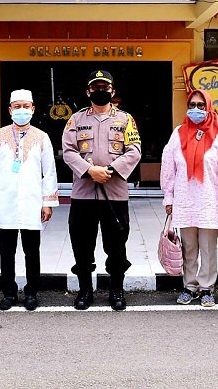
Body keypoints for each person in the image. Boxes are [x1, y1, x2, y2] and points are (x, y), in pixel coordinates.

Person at [62, 70, 142, 311]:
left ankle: (116, 290)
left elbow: (134, 150)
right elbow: (68, 151)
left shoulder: (126, 119)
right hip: (83, 194)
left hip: (114, 193)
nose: (100, 91)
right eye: (95, 88)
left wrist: (110, 170)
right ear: (88, 92)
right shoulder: (76, 119)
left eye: (104, 88)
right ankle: (85, 290)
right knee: (82, 244)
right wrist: (89, 171)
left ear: (112, 91)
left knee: (116, 245)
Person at [160, 90, 218, 307]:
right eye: (192, 105)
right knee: (188, 247)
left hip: (209, 200)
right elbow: (169, 166)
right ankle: (190, 286)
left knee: (208, 247)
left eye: (200, 105)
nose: (195, 109)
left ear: (208, 107)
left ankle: (207, 288)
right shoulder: (178, 133)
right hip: (184, 200)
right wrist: (169, 196)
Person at [0, 89, 59, 311]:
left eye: (25, 106)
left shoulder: (42, 137)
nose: (21, 110)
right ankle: (9, 292)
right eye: (17, 107)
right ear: (10, 110)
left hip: (32, 203)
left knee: (32, 252)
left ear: (33, 109)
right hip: (5, 203)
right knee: (6, 252)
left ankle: (32, 292)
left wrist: (47, 202)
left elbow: (49, 172)